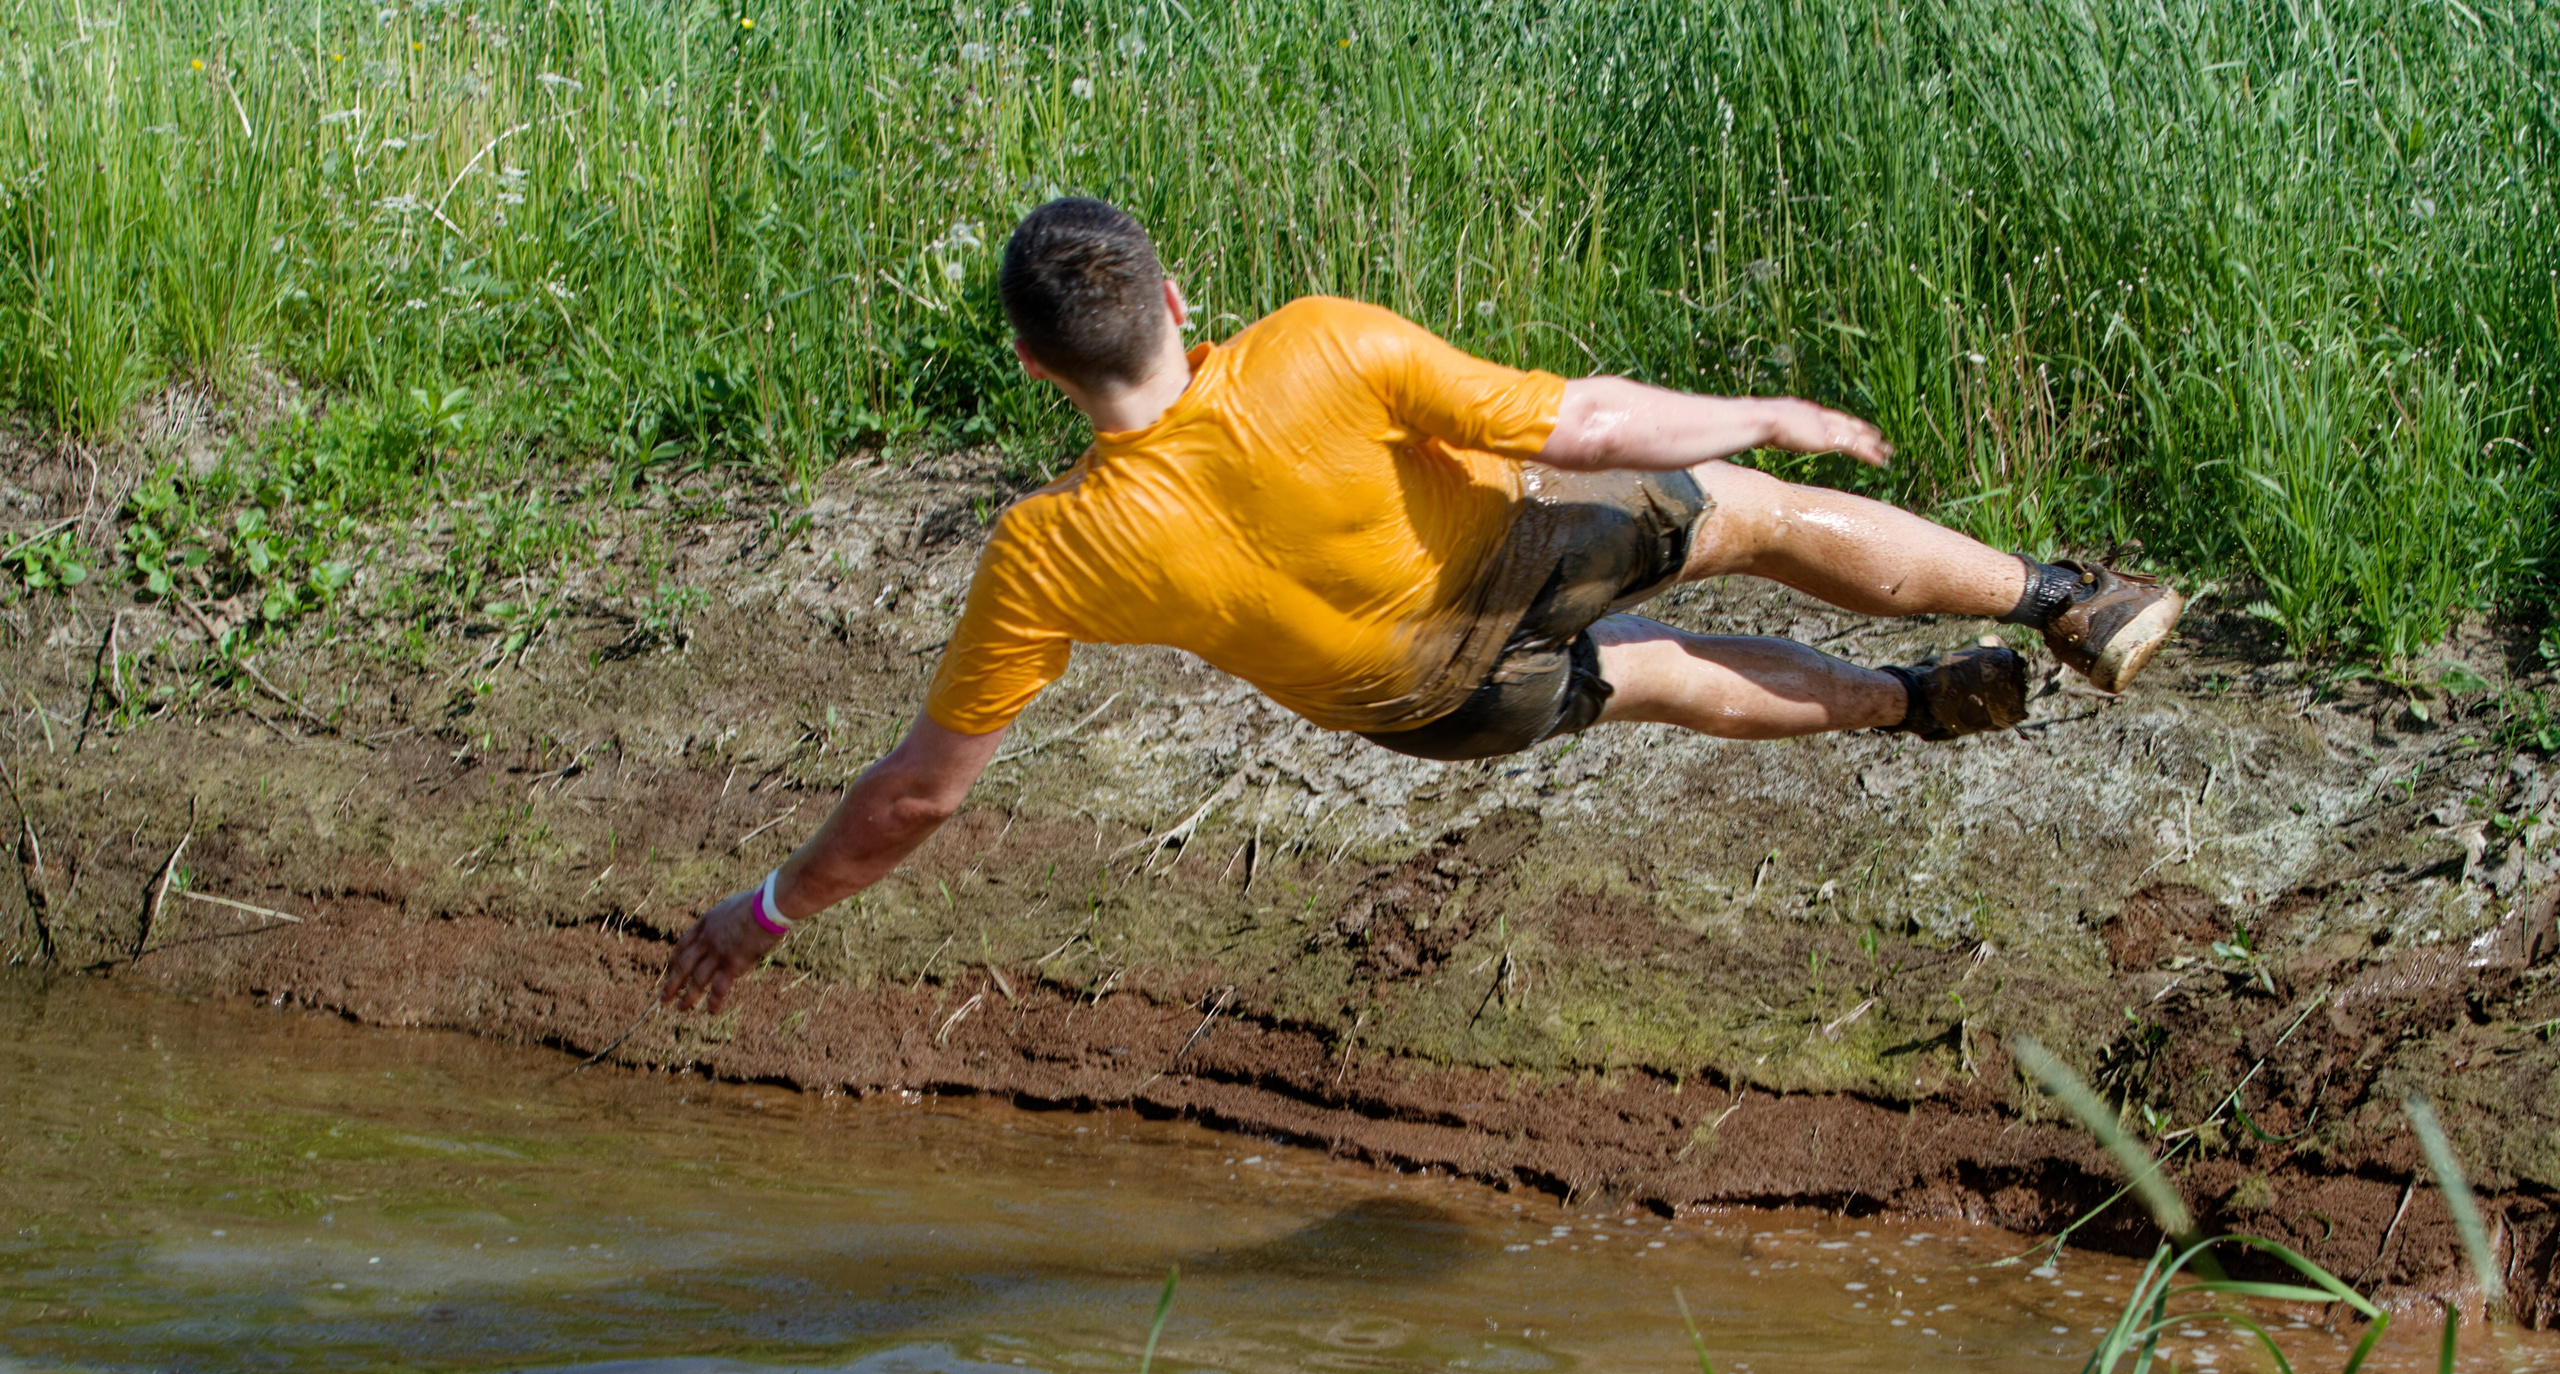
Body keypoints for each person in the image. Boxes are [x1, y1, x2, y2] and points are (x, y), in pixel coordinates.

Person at [660, 197, 2181, 1013]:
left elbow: (920, 797)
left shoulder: (1044, 554)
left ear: (1036, 370)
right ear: (1178, 300)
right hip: (1522, 550)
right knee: (1752, 520)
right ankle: (2059, 600)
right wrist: (1760, 408)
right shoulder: (1315, 345)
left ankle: (1918, 704)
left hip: (1430, 710)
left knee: (1650, 676)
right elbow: (1575, 421)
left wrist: (771, 907)